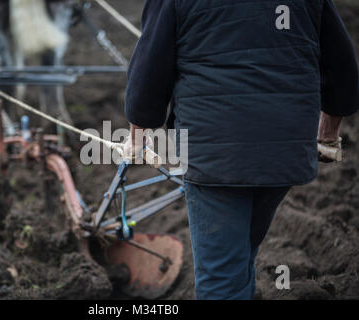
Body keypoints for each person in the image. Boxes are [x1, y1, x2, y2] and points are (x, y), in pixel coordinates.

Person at [123, 0, 358, 299]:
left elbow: (148, 71)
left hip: (216, 154)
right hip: (285, 148)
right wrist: (328, 136)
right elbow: (343, 70)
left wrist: (137, 135)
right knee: (241, 255)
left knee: (220, 277)